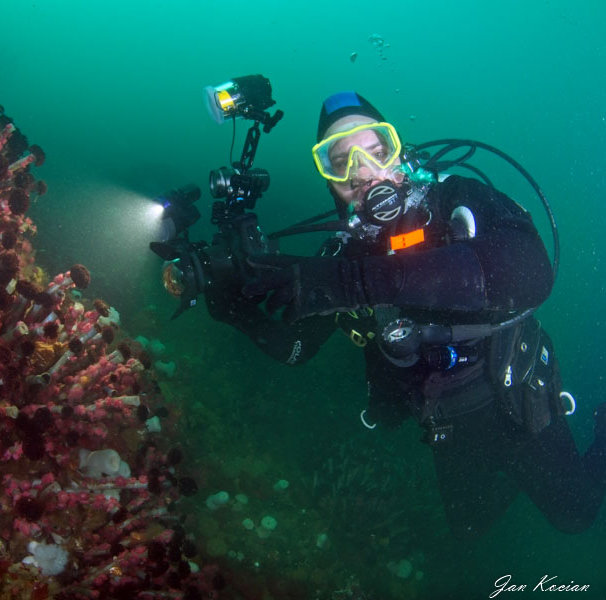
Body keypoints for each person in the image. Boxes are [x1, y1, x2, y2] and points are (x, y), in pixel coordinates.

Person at [204, 90, 606, 539]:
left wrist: (352, 283)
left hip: (516, 395)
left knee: (576, 515)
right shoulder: (339, 256)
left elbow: (532, 273)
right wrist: (230, 309)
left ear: (401, 154)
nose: (364, 171)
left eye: (377, 150)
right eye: (341, 162)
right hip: (446, 423)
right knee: (470, 528)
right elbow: (296, 349)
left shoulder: (454, 198)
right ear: (331, 184)